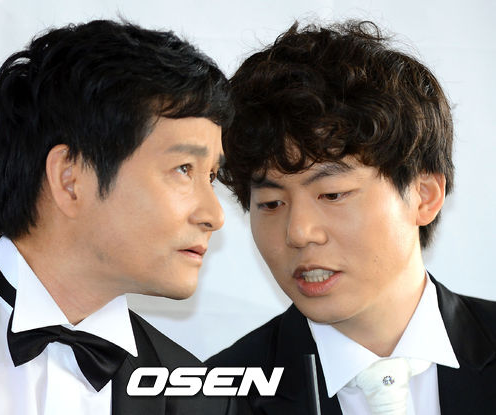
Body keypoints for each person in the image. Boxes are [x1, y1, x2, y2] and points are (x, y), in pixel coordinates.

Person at [0, 20, 235, 415]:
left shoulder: (202, 400)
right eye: (184, 169)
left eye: (211, 176)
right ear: (70, 180)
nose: (214, 215)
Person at [208, 21, 496, 414]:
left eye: (332, 195)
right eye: (272, 203)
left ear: (424, 196)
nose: (299, 233)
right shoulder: (217, 398)